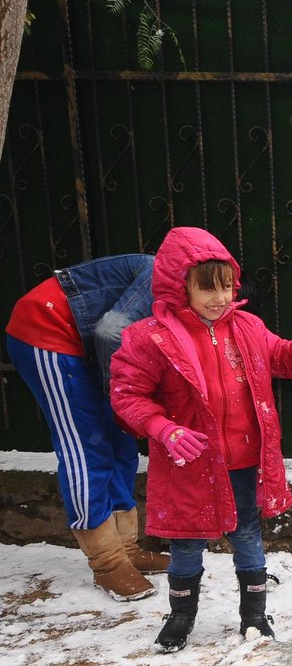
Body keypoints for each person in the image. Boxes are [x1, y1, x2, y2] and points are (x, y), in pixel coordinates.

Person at [109, 226, 292, 653]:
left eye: (228, 287)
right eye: (207, 289)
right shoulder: (150, 339)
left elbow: (283, 359)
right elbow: (128, 395)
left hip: (242, 462)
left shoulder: (248, 327)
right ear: (181, 289)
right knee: (186, 542)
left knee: (248, 535)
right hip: (190, 463)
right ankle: (181, 617)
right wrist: (165, 428)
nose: (220, 299)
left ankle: (254, 617)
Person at [5, 254, 170, 601]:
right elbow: (112, 332)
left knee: (122, 441)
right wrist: (119, 397)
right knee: (85, 446)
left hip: (91, 350)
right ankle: (108, 562)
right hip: (47, 332)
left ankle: (126, 547)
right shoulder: (163, 275)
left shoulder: (188, 300)